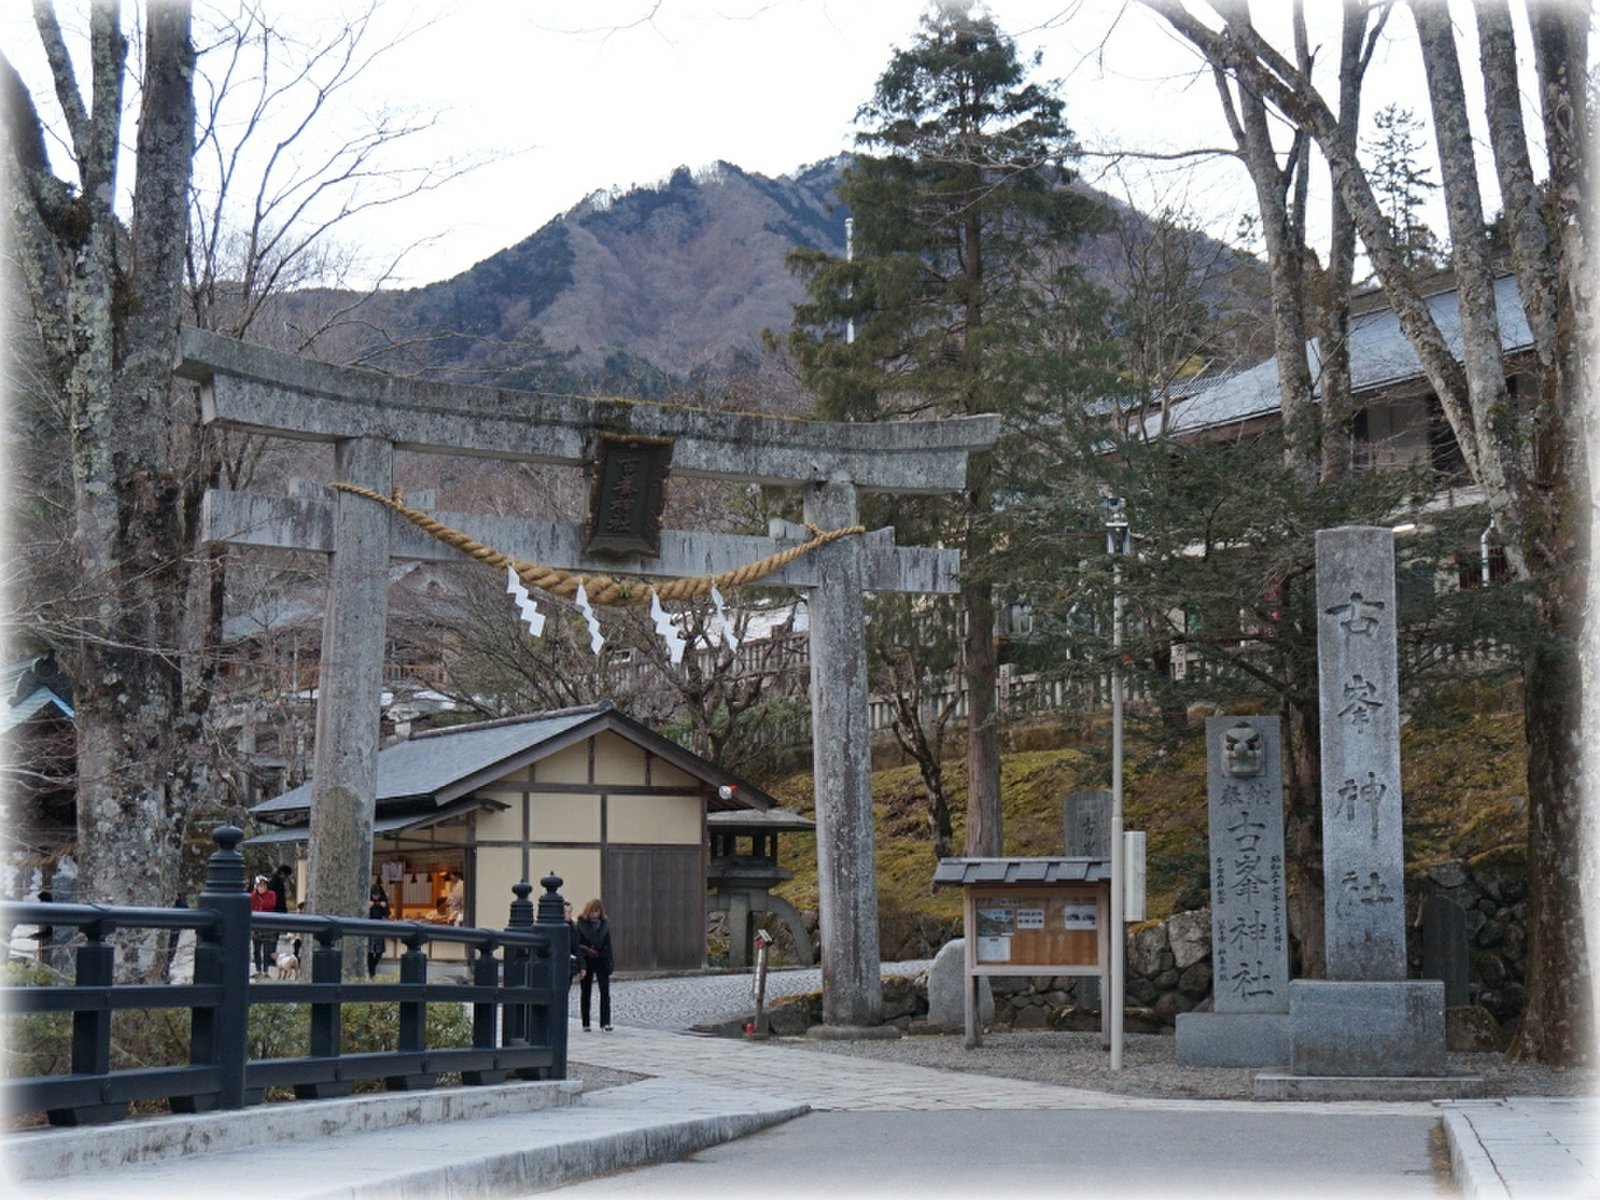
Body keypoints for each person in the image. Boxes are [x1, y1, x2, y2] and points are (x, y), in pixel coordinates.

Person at [575, 898, 614, 1032]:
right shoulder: (581, 924)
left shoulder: (604, 924)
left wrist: (610, 962)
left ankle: (606, 1022)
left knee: (605, 992)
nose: (594, 914)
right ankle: (586, 1023)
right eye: (592, 911)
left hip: (601, 959)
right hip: (587, 960)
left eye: (597, 912)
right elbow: (576, 944)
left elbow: (608, 945)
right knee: (586, 992)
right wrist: (585, 951)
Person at [250, 875, 277, 976]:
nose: (262, 888)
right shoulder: (252, 896)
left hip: (268, 924)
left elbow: (271, 905)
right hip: (256, 925)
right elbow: (251, 907)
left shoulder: (271, 894)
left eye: (264, 885)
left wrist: (261, 903)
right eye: (260, 885)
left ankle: (266, 970)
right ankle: (258, 970)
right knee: (256, 949)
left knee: (267, 950)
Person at [366, 883, 389, 977]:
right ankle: (371, 971)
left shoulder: (383, 903)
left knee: (379, 952)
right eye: (374, 895)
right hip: (369, 928)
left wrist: (383, 906)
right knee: (370, 951)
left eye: (377, 895)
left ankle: (372, 969)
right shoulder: (369, 902)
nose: (376, 897)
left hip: (379, 929)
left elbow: (387, 914)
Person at [564, 902, 584, 985]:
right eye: (568, 912)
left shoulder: (573, 928)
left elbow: (576, 948)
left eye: (570, 912)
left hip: (570, 964)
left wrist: (582, 966)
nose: (570, 915)